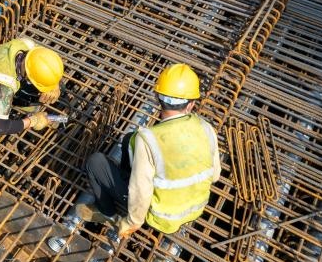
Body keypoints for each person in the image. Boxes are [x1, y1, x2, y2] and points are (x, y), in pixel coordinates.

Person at [78, 63, 220, 239]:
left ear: (157, 97)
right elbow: (214, 176)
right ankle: (125, 174)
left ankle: (107, 214)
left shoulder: (149, 139)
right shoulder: (206, 128)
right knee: (129, 139)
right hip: (195, 208)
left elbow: (141, 192)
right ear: (190, 104)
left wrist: (131, 223)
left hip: (160, 217)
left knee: (96, 162)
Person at [0, 38, 65, 151]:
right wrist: (33, 121)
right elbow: (1, 128)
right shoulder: (4, 84)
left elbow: (44, 64)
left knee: (43, 87)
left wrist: (54, 84)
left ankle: (21, 102)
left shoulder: (29, 47)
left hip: (11, 72)